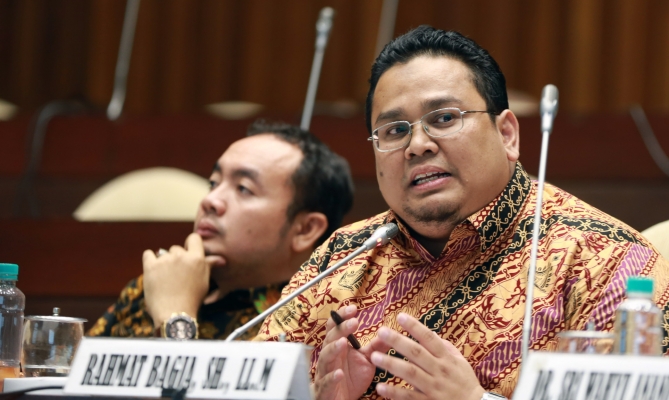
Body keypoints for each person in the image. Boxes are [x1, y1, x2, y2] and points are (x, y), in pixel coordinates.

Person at [255, 26, 669, 399]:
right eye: (395, 130)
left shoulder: (609, 262)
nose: (418, 145)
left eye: (444, 118)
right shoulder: (342, 256)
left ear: (506, 134)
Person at [87, 120, 354, 340]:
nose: (210, 200)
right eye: (213, 183)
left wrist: (175, 317)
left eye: (243, 189)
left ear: (305, 229)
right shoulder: (165, 279)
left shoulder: (312, 324)